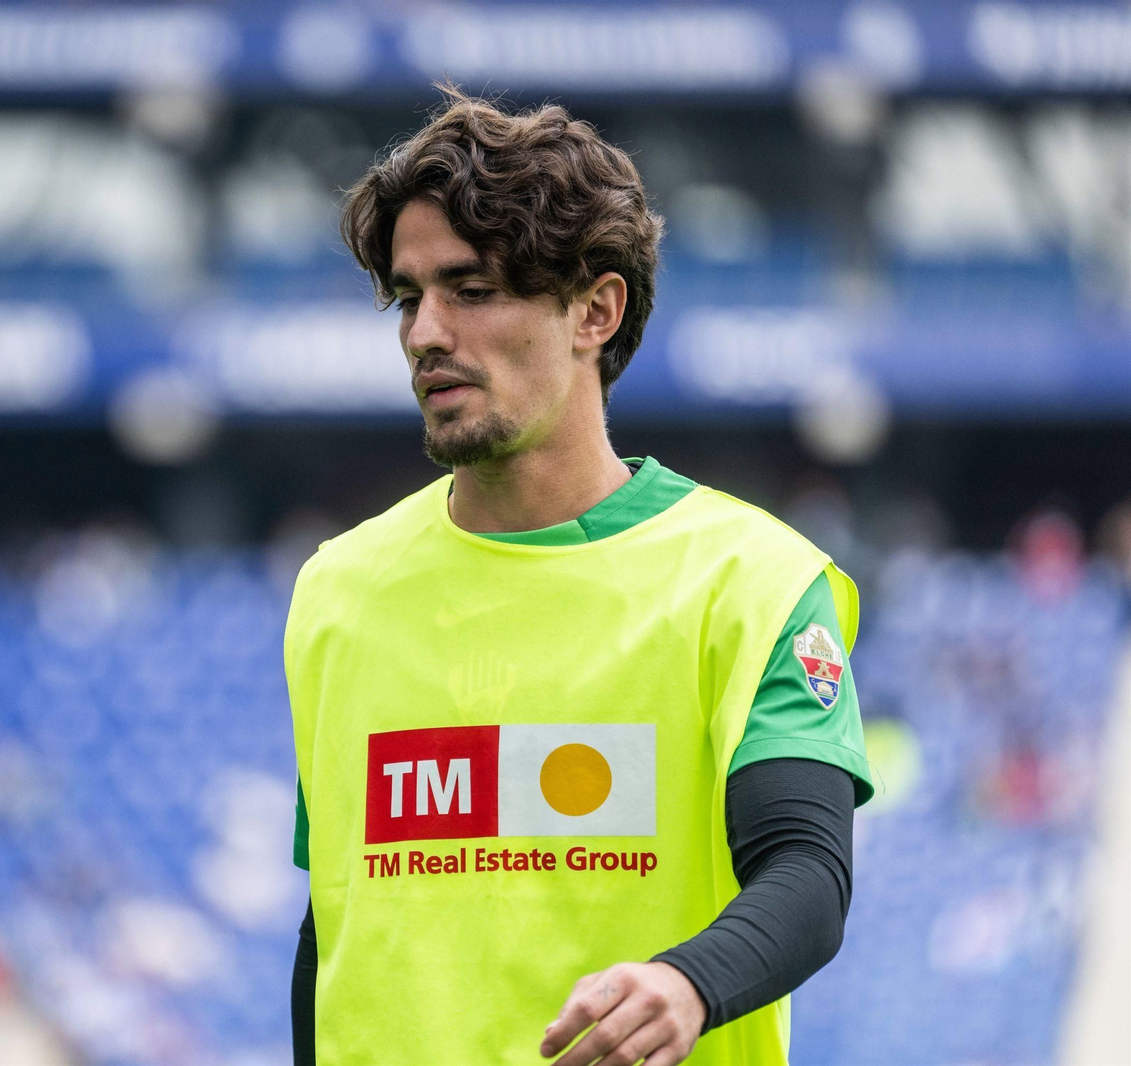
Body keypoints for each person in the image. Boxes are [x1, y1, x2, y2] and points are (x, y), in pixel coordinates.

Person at [285, 88, 873, 1066]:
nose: (426, 333)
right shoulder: (335, 593)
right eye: (407, 295)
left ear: (594, 309)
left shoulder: (749, 580)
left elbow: (808, 872)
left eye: (470, 290)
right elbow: (333, 929)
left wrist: (689, 980)